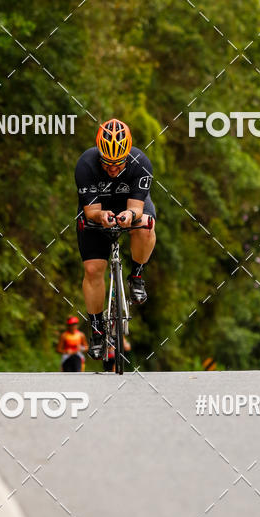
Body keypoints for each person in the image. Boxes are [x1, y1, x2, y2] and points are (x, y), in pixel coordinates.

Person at [75, 119, 156, 359]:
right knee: (93, 269)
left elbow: (137, 208)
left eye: (118, 163)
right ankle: (98, 330)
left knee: (145, 227)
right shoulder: (86, 164)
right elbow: (91, 212)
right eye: (107, 163)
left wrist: (129, 216)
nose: (112, 169)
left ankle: (137, 274)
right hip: (98, 210)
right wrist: (101, 216)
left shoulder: (141, 163)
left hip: (130, 206)